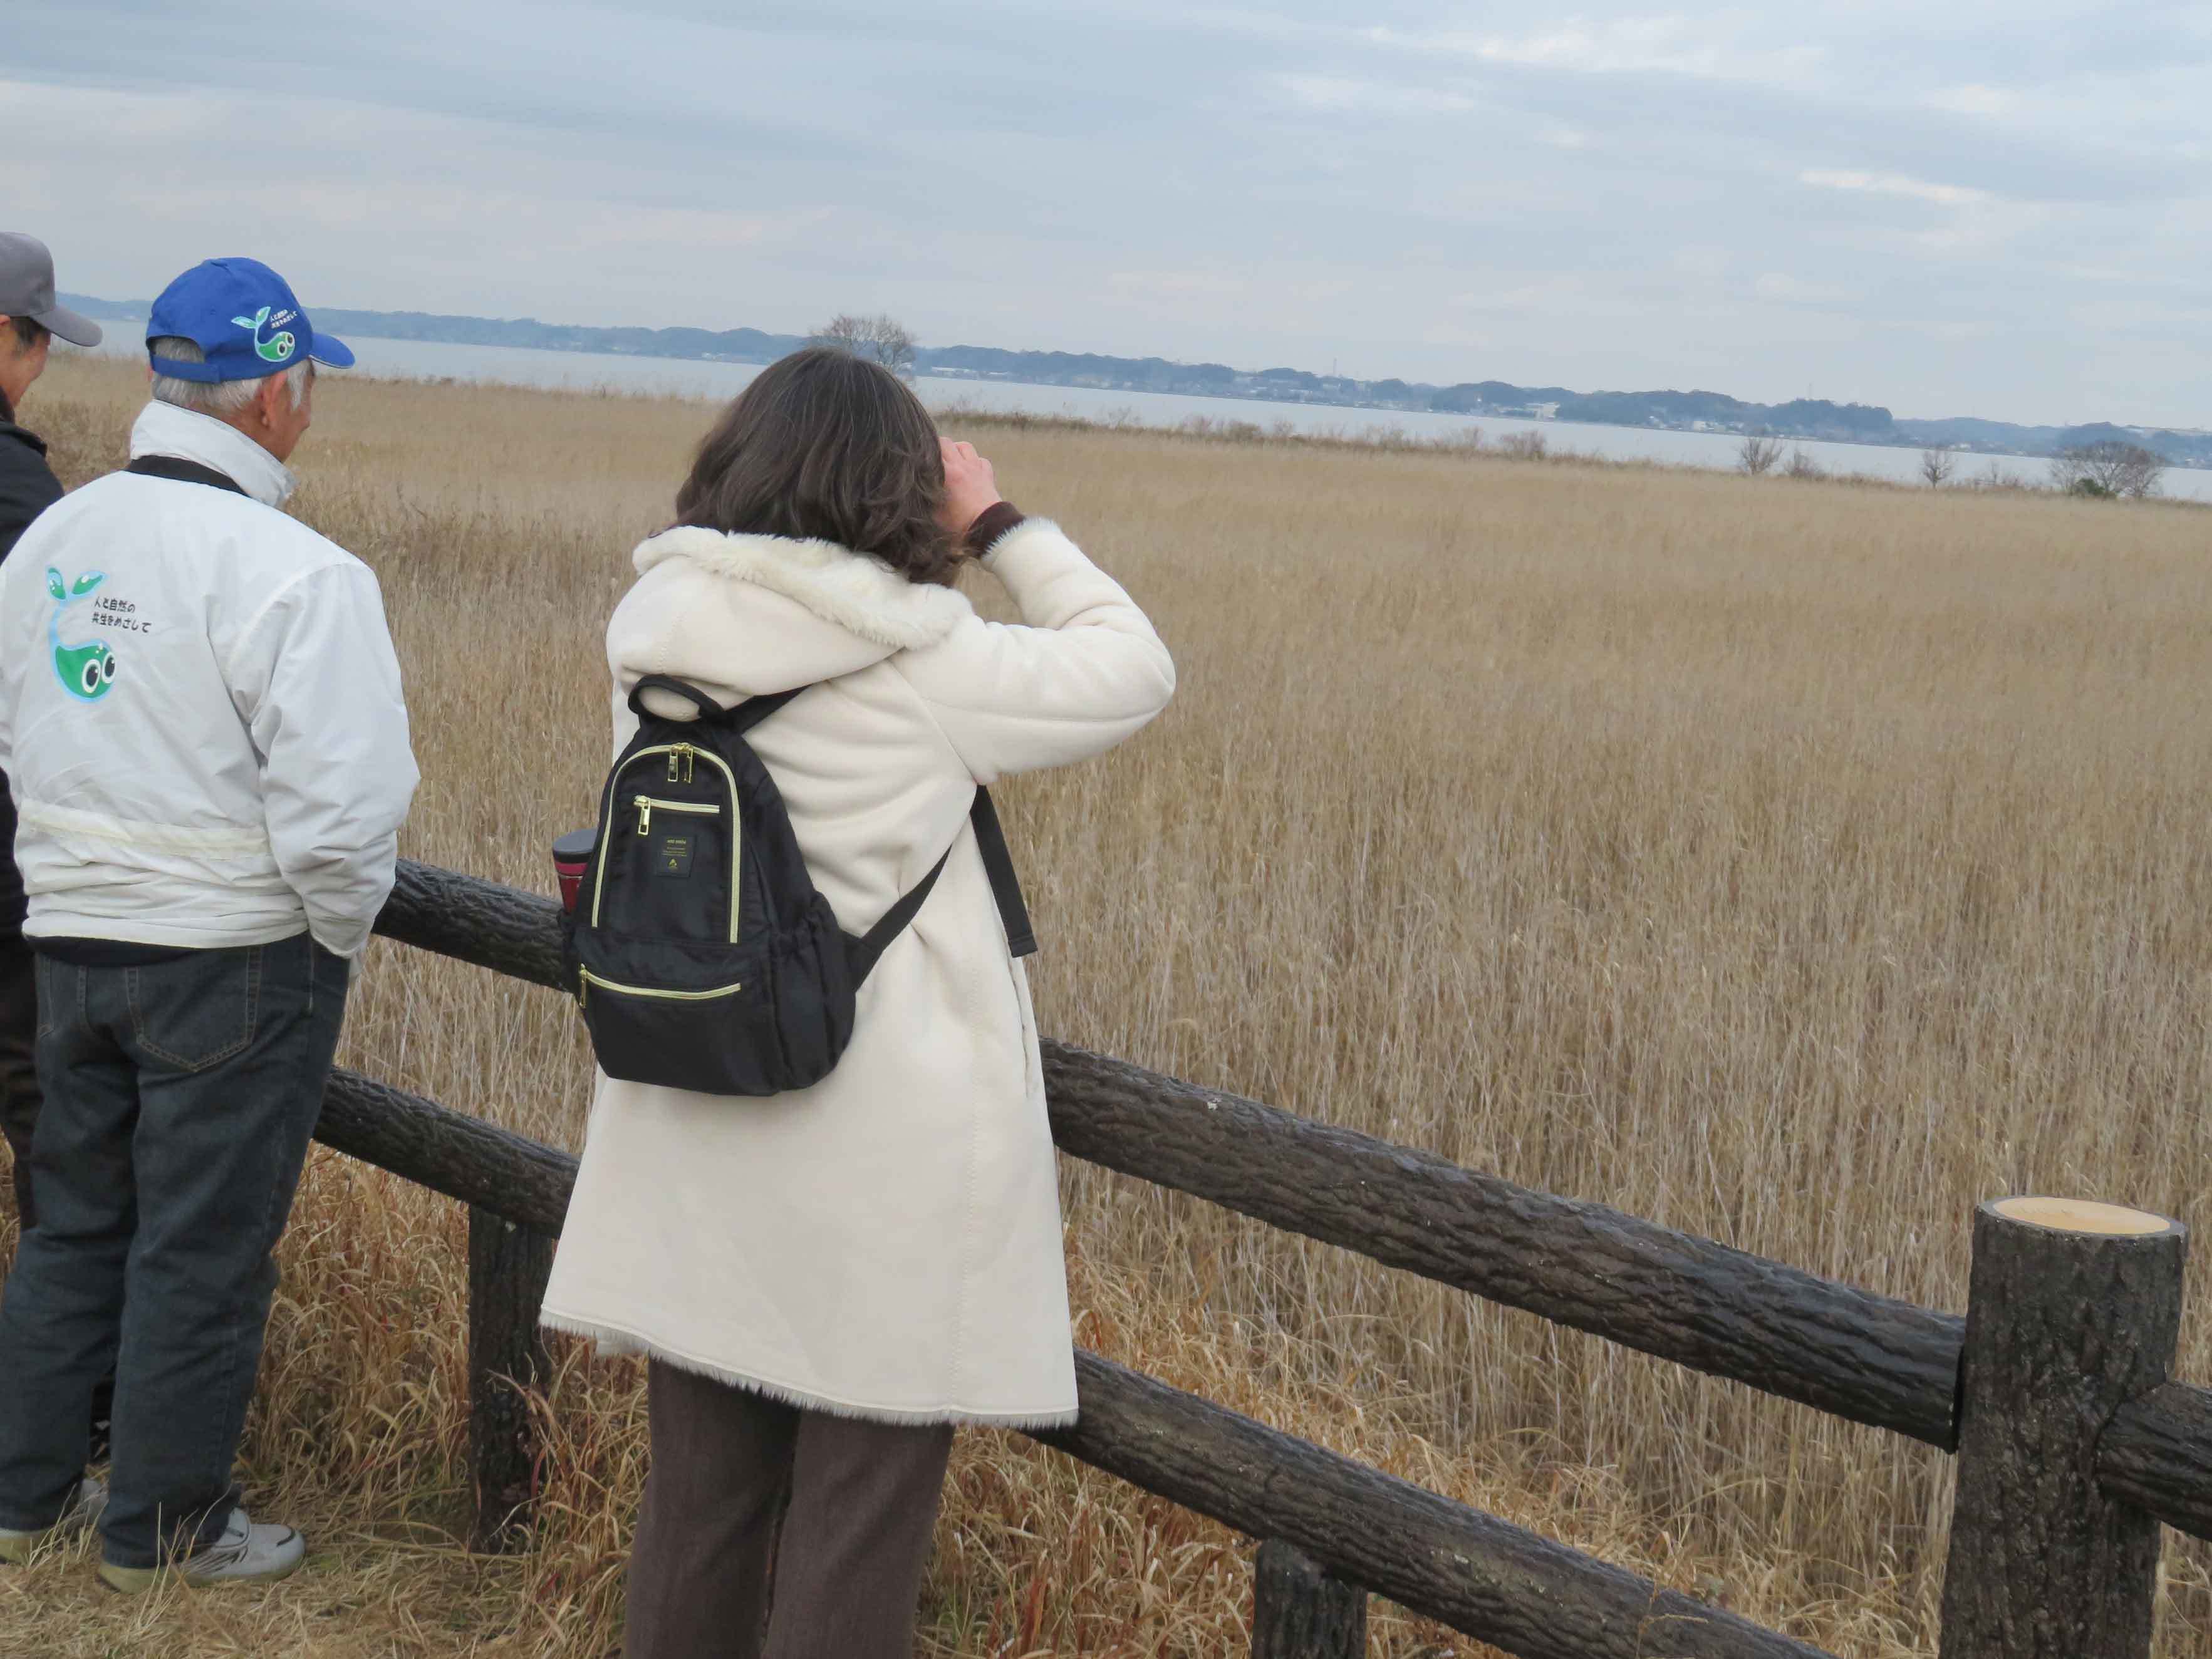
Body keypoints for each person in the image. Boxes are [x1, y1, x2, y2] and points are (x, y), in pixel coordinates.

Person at [540, 347, 1175, 1658]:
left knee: (698, 1507)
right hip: (877, 1155)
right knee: (854, 1523)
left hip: (692, 1113)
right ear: (897, 493)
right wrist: (999, 521)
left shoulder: (649, 637)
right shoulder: (925, 657)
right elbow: (1131, 664)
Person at [0, 257, 418, 1593]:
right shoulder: (302, 573)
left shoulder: (55, 539)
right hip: (234, 955)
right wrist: (330, 938)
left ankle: (24, 1495)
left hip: (66, 934)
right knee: (201, 1244)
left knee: (72, 1221)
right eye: (305, 387)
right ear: (277, 399)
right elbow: (346, 821)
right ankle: (166, 1527)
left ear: (161, 383)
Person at [0, 233, 103, 1231]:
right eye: (39, 345)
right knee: (47, 1111)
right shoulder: (22, 496)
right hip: (9, 873)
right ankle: (64, 1379)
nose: (39, 369)